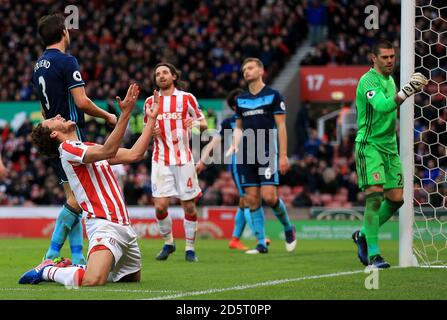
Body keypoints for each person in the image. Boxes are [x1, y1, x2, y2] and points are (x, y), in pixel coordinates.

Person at [19, 83, 158, 286]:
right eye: (52, 120)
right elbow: (109, 151)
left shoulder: (87, 147)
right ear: (53, 134)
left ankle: (73, 268)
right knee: (93, 280)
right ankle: (48, 270)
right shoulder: (67, 149)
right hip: (103, 223)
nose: (58, 116)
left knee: (129, 278)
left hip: (124, 226)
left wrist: (151, 121)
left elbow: (135, 154)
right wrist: (125, 114)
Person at [32, 14, 118, 265]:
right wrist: (108, 116)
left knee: (74, 195)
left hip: (54, 134)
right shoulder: (67, 61)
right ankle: (50, 254)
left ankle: (78, 256)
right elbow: (82, 102)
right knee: (78, 198)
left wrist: (51, 131)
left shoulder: (38, 65)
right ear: (63, 32)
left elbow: (42, 108)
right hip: (71, 134)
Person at [352, 39, 428, 268]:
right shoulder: (367, 81)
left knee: (396, 200)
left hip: (389, 147)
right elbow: (384, 107)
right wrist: (406, 91)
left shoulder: (390, 80)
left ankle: (363, 234)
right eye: (384, 57)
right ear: (373, 58)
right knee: (375, 196)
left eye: (392, 57)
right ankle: (374, 255)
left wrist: (402, 90)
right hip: (369, 146)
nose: (389, 61)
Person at [227, 57, 297, 254]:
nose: (246, 72)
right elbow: (239, 128)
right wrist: (234, 144)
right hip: (245, 154)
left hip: (267, 151)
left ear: (261, 71)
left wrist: (283, 155)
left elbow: (281, 126)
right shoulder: (241, 99)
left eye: (250, 68)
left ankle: (288, 227)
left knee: (269, 197)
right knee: (252, 199)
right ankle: (260, 243)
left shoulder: (274, 96)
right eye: (243, 70)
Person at [144, 63, 208, 262]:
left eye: (165, 72)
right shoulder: (149, 101)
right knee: (160, 207)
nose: (161, 76)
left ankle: (190, 249)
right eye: (157, 74)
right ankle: (168, 242)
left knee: (188, 206)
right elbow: (146, 130)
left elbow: (204, 125)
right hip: (160, 159)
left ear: (173, 76)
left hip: (183, 160)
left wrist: (195, 123)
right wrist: (150, 131)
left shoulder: (186, 98)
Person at [196, 88, 251, 250]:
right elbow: (213, 143)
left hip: (256, 163)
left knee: (245, 201)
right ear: (233, 106)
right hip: (238, 163)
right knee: (249, 198)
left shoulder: (255, 119)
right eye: (236, 102)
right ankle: (261, 237)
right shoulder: (228, 122)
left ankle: (235, 239)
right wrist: (202, 160)